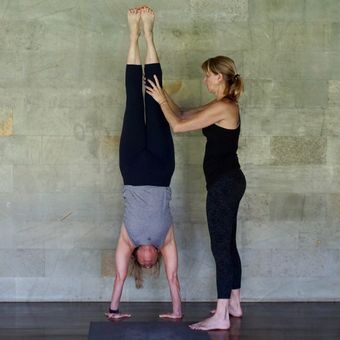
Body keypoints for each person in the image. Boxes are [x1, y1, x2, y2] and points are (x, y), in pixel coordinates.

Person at [146, 56, 246, 330]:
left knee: (220, 248)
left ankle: (222, 316)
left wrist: (161, 102)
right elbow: (183, 115)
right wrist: (162, 95)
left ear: (219, 77)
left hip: (224, 184)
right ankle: (234, 303)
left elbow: (177, 126)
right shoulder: (220, 105)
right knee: (227, 245)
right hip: (227, 182)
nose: (204, 80)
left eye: (207, 75)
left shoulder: (225, 108)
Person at [105, 6, 182, 321]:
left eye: (144, 264)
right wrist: (177, 312)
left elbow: (119, 278)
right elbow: (174, 279)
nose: (150, 263)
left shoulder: (128, 239)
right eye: (154, 265)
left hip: (133, 169)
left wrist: (113, 311)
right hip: (162, 170)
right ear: (158, 258)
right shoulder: (166, 240)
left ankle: (133, 36)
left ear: (137, 257)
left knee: (133, 100)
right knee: (155, 96)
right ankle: (150, 34)